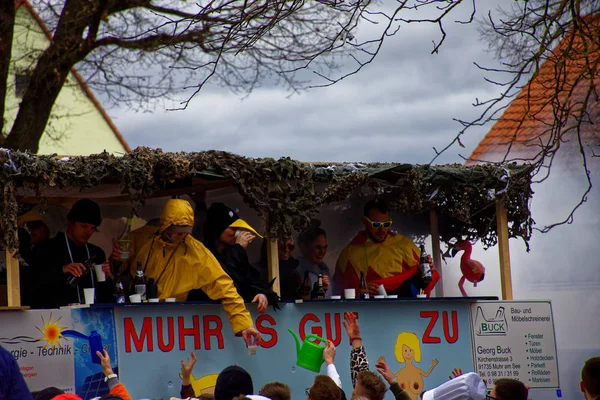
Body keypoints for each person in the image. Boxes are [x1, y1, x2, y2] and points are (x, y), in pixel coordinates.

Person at [114, 199, 261, 342]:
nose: (181, 235)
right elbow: (117, 271)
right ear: (165, 225)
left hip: (172, 322)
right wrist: (116, 260)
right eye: (177, 230)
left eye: (186, 230)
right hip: (134, 319)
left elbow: (225, 287)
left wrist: (244, 325)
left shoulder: (197, 252)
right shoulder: (140, 237)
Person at [334, 198, 439, 298]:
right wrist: (361, 290)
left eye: (386, 224)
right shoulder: (350, 253)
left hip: (404, 305)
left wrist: (427, 269)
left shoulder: (403, 244)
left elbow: (425, 278)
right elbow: (340, 289)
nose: (382, 229)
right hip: (370, 308)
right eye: (376, 224)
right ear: (365, 222)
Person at [29, 199, 112, 308]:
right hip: (56, 318)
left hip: (92, 317)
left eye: (92, 228)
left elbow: (106, 295)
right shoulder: (46, 248)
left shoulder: (96, 252)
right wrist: (62, 270)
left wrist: (105, 279)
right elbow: (32, 284)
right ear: (70, 222)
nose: (88, 232)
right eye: (83, 226)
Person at [196, 202, 278, 313]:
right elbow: (225, 279)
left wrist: (260, 293)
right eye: (233, 229)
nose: (237, 233)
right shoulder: (203, 255)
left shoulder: (236, 254)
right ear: (218, 229)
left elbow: (249, 279)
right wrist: (237, 248)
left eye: (238, 229)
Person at [342, 312, 405, 400]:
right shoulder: (366, 394)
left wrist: (330, 363)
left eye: (355, 387)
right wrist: (355, 338)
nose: (353, 391)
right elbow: (361, 373)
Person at [297, 220, 331, 298]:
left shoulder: (324, 269)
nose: (322, 252)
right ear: (305, 247)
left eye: (325, 247)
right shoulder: (298, 270)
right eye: (318, 247)